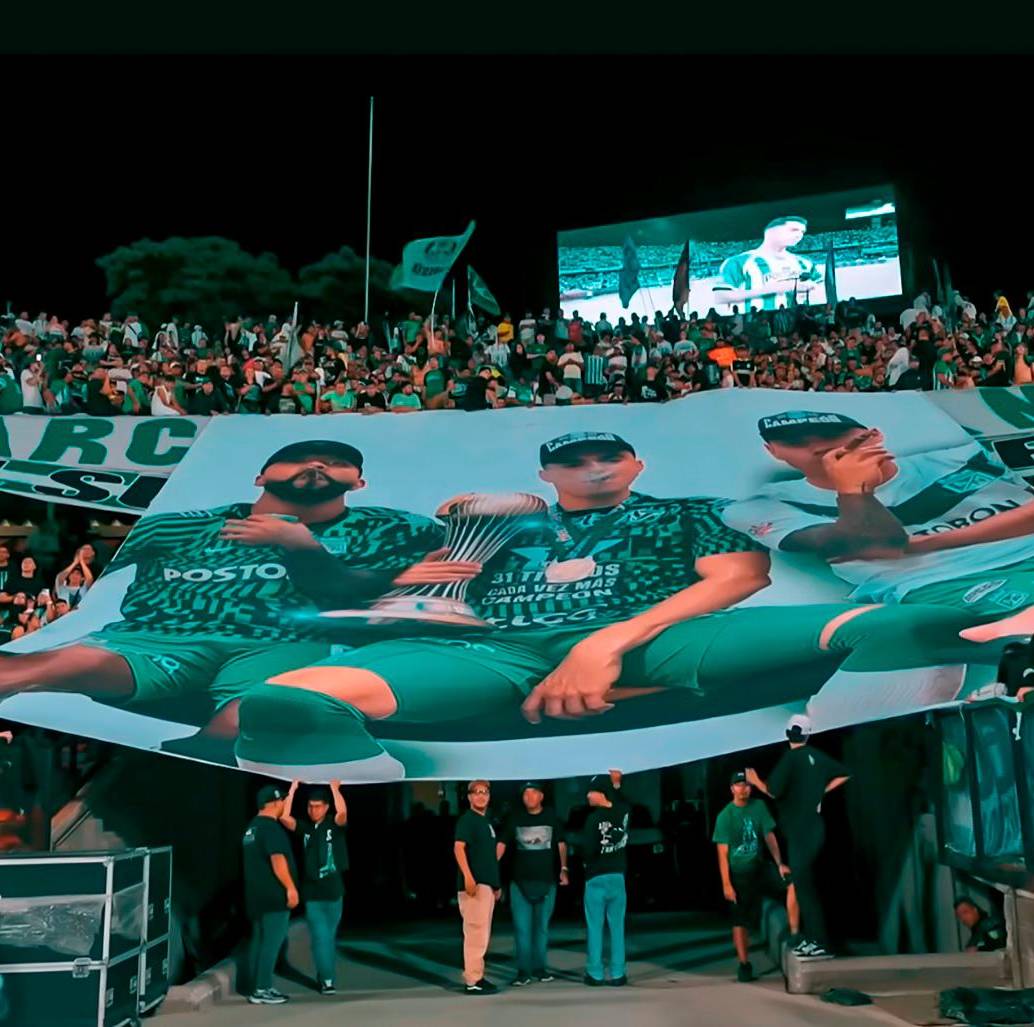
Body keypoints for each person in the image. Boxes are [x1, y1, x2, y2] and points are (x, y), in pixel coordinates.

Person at [234, 431, 1013, 779]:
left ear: (635, 461)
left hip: (661, 636)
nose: (594, 466)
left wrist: (608, 646)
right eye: (574, 457)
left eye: (608, 453)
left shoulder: (683, 507)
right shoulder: (499, 520)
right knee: (286, 706)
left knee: (929, 623)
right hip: (487, 650)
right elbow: (419, 593)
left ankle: (824, 740)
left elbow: (737, 578)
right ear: (548, 468)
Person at [0, 441, 444, 773]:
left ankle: (194, 757)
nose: (317, 465)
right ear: (260, 477)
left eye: (336, 462)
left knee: (265, 701)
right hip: (160, 633)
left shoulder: (393, 528)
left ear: (358, 483)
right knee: (62, 662)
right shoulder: (177, 527)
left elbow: (377, 586)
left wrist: (300, 547)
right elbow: (80, 565)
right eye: (302, 458)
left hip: (289, 639)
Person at [723, 410, 1034, 635]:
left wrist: (923, 542)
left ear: (874, 435)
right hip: (943, 582)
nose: (819, 447)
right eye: (797, 442)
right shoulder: (763, 506)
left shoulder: (966, 456)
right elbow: (873, 545)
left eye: (833, 435)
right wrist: (854, 491)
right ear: (774, 451)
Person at [746, 714, 849, 959]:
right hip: (814, 827)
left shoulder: (791, 758)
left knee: (803, 887)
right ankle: (813, 939)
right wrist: (821, 791)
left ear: (787, 734)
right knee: (806, 885)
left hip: (801, 831)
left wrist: (754, 780)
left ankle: (819, 942)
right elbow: (845, 773)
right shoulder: (816, 756)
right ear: (808, 734)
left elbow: (772, 791)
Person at [712, 771, 797, 983]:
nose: (744, 789)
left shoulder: (758, 807)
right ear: (732, 789)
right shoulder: (725, 816)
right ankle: (744, 964)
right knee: (740, 920)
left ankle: (796, 935)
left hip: (759, 866)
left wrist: (779, 864)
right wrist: (726, 883)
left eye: (747, 785)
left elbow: (769, 836)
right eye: (739, 785)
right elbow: (722, 853)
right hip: (739, 872)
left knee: (792, 883)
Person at [279, 779, 348, 995]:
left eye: (318, 806)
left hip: (334, 891)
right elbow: (283, 817)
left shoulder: (333, 826)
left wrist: (335, 790)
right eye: (310, 806)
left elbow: (343, 814)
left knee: (329, 936)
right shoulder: (306, 828)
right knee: (320, 935)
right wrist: (292, 790)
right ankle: (327, 979)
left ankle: (324, 973)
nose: (313, 810)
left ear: (326, 807)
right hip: (312, 893)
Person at [497, 781, 568, 986]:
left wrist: (564, 868)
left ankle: (540, 969)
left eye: (533, 793)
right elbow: (502, 844)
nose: (529, 797)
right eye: (525, 794)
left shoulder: (551, 817)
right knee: (522, 929)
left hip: (547, 881)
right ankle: (523, 972)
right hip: (520, 883)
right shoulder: (515, 818)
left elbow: (561, 844)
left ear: (541, 796)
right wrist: (490, 869)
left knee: (541, 928)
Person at [242, 784, 298, 1005]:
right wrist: (290, 888)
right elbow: (277, 860)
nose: (284, 804)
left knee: (259, 941)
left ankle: (257, 985)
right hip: (274, 896)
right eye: (283, 801)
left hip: (255, 896)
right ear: (275, 803)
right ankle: (262, 989)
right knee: (271, 943)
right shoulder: (271, 828)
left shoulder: (251, 829)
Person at [712, 217, 822, 313]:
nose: (799, 235)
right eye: (793, 230)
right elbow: (720, 297)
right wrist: (771, 289)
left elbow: (821, 289)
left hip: (799, 321)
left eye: (802, 232)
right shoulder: (740, 261)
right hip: (754, 323)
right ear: (771, 232)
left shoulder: (804, 262)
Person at [581, 775, 630, 987]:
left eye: (590, 792)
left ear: (600, 793)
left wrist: (587, 862)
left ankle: (595, 973)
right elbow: (624, 801)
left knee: (595, 926)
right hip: (617, 876)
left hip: (596, 878)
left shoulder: (593, 819)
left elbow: (588, 850)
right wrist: (617, 785)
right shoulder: (622, 813)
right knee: (617, 927)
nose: (587, 796)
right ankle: (618, 973)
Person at [454, 780, 502, 994]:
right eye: (477, 792)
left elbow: (489, 858)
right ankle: (472, 980)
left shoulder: (486, 822)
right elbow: (458, 848)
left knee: (482, 933)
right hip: (474, 885)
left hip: (486, 884)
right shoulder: (468, 820)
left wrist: (495, 884)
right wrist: (468, 877)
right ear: (469, 797)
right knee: (475, 932)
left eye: (485, 792)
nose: (481, 796)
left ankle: (477, 976)